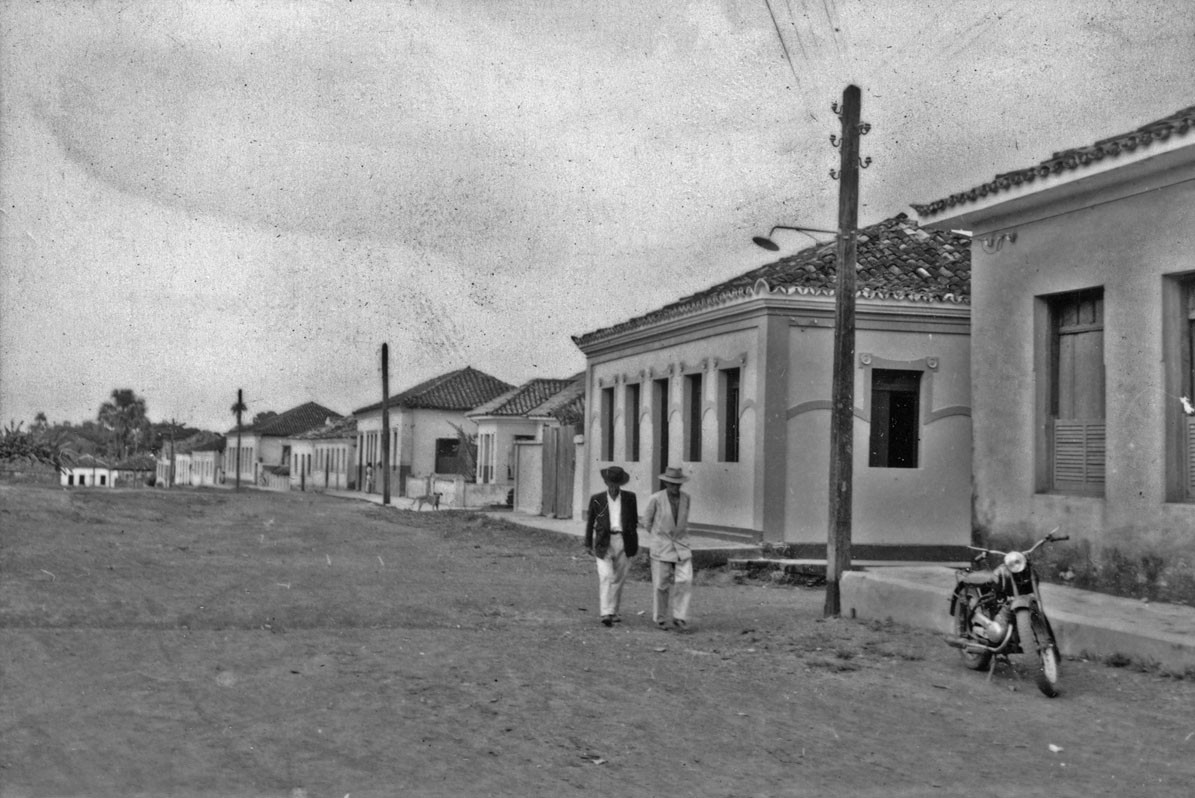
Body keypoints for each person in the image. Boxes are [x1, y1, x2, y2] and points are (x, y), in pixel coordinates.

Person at [583, 465, 639, 627]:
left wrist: (634, 544)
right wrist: (588, 543)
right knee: (606, 575)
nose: (613, 487)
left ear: (621, 484)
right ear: (606, 483)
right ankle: (606, 612)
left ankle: (613, 611)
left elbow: (633, 522)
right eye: (611, 483)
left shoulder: (630, 498)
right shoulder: (597, 499)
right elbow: (590, 522)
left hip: (623, 540)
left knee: (619, 578)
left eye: (616, 484)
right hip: (603, 541)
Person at [642, 467, 693, 631]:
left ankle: (680, 617)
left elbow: (683, 521)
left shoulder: (686, 498)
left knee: (685, 580)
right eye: (672, 484)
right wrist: (658, 537)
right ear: (666, 483)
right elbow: (647, 521)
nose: (675, 487)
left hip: (681, 544)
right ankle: (660, 618)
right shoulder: (656, 499)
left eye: (678, 484)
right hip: (662, 545)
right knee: (661, 584)